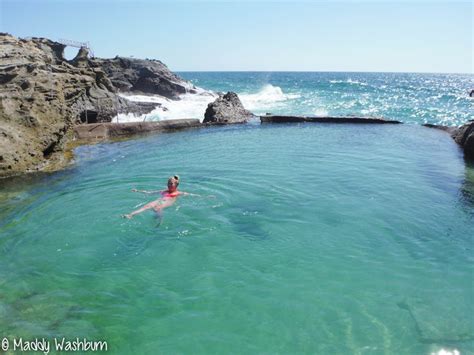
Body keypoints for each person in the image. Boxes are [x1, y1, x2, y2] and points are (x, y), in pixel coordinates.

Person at [122, 175, 198, 219]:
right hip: (159, 200)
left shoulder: (178, 193)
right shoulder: (164, 191)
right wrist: (138, 191)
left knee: (158, 208)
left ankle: (159, 222)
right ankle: (130, 215)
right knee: (146, 206)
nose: (169, 185)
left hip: (168, 202)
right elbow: (150, 193)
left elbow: (193, 195)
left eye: (171, 184)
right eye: (168, 183)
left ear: (176, 185)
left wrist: (207, 197)